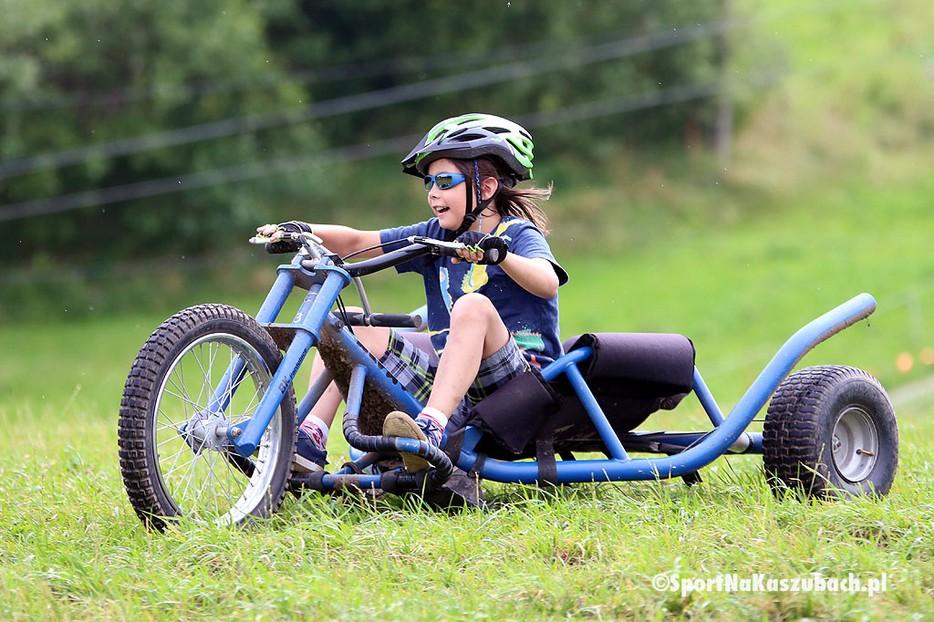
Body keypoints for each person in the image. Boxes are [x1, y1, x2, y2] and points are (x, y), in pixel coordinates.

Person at [257, 113, 568, 472]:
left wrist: (499, 254)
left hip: (519, 389)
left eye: (445, 181)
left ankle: (431, 430)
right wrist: (302, 230)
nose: (433, 193)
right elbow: (360, 241)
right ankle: (310, 437)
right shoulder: (436, 235)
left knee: (473, 307)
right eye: (429, 183)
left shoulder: (517, 234)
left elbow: (547, 282)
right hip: (453, 391)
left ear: (485, 189)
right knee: (349, 324)